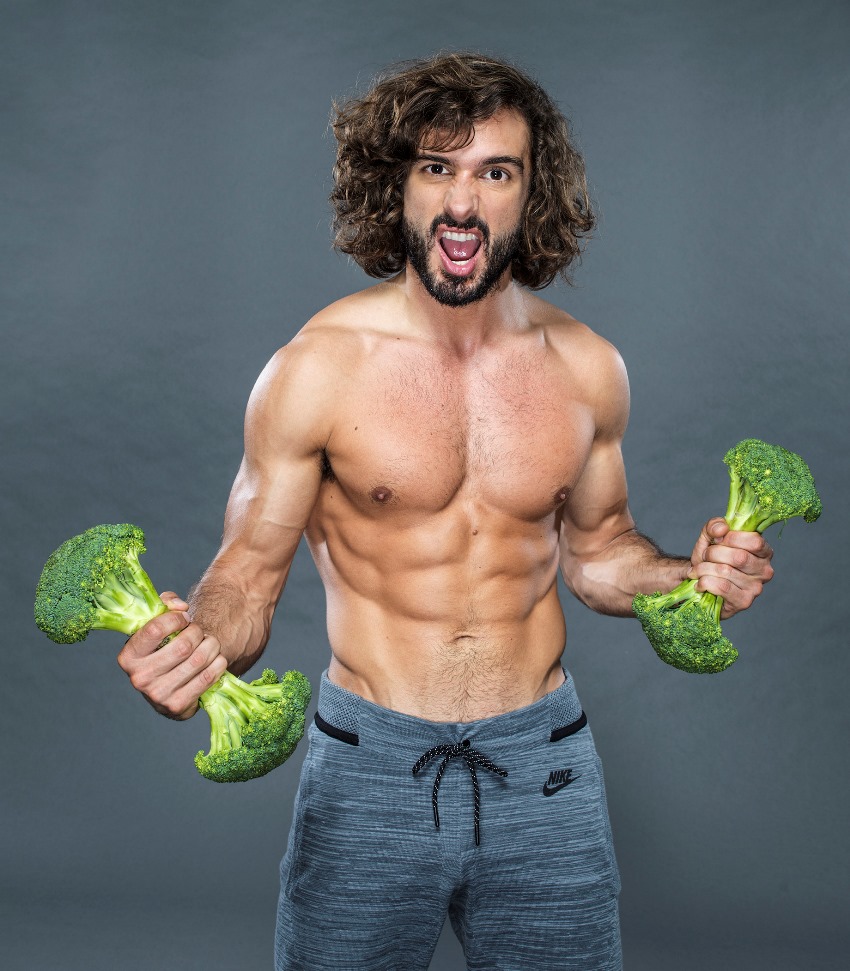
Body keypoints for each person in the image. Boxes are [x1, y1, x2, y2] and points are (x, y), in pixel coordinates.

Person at [117, 53, 774, 970]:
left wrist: (687, 575)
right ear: (398, 187)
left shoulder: (588, 368)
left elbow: (597, 552)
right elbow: (248, 576)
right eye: (438, 168)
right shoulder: (316, 368)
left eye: (494, 172)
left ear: (529, 194)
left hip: (543, 769)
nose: (463, 203)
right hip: (367, 767)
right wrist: (200, 645)